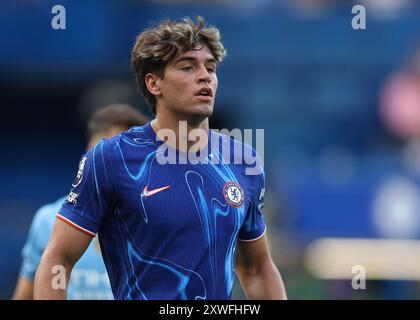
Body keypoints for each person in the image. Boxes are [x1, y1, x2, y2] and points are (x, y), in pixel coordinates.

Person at [34, 17, 287, 300]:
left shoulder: (244, 160)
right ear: (154, 83)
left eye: (210, 68)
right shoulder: (110, 159)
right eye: (188, 67)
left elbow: (256, 268)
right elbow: (58, 259)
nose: (205, 76)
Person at [13, 104, 148, 300]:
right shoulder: (48, 221)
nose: (113, 162)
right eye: (106, 151)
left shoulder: (157, 225)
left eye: (127, 156)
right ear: (90, 153)